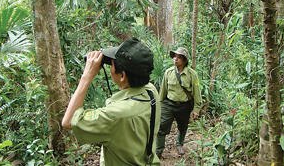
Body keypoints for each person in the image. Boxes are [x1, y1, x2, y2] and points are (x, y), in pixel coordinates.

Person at [62, 37, 161, 166]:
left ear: (122, 76)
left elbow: (68, 122)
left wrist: (86, 76)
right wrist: (119, 56)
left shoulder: (114, 116)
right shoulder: (151, 91)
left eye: (112, 65)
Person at [156, 46, 202, 158]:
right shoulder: (168, 72)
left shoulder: (192, 74)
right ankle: (159, 150)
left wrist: (196, 109)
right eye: (174, 57)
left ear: (185, 60)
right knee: (162, 127)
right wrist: (158, 105)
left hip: (184, 105)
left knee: (183, 126)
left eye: (179, 57)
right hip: (169, 104)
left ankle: (180, 144)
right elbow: (162, 91)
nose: (175, 59)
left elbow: (197, 92)